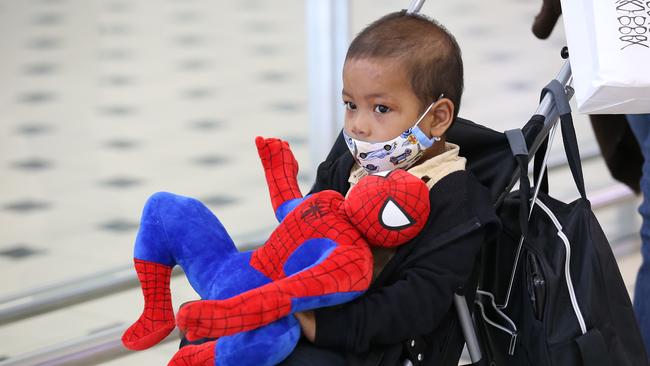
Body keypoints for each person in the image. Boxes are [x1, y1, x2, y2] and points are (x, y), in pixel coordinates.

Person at [277, 11, 499, 366]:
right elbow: (304, 230)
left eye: (381, 108)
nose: (358, 126)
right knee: (211, 335)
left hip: (378, 342)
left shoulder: (455, 198)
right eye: (350, 105)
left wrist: (327, 326)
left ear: (438, 117)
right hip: (310, 304)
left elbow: (419, 301)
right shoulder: (350, 164)